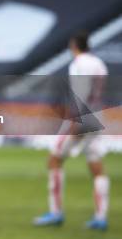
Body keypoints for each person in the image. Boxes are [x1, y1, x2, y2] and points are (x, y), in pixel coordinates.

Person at [33, 31, 109, 230]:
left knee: (54, 159)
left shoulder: (77, 65)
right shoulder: (99, 64)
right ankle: (101, 218)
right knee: (96, 166)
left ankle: (55, 213)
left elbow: (80, 93)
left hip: (81, 118)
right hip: (96, 116)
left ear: (74, 46)